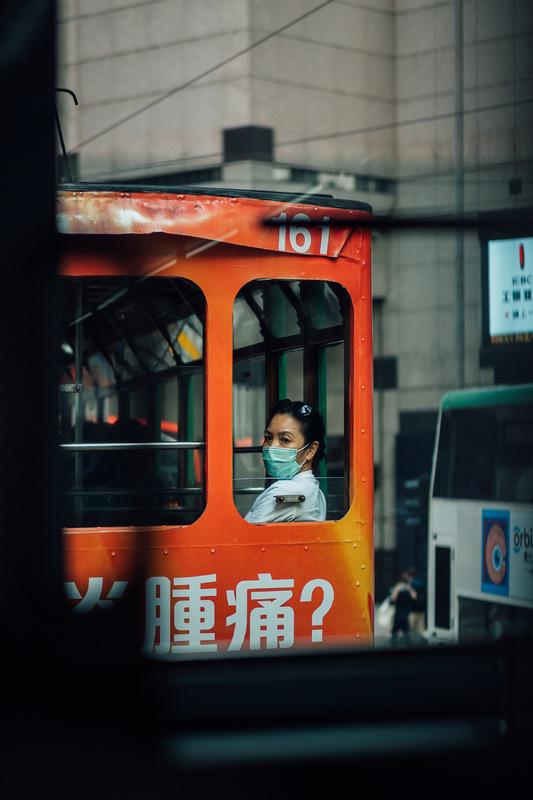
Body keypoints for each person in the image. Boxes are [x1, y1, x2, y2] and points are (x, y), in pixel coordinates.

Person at [245, 398, 326, 523]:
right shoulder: (316, 491)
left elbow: (240, 535)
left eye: (285, 440)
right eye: (268, 438)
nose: (272, 446)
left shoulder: (285, 492)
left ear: (311, 450)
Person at [390, 571, 417, 646]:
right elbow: (392, 599)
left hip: (405, 616)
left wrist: (409, 589)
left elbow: (414, 597)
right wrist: (396, 590)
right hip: (397, 616)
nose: (402, 586)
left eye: (403, 584)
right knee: (394, 636)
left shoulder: (406, 592)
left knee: (406, 635)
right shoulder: (396, 591)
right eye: (400, 584)